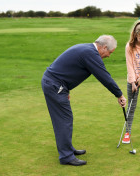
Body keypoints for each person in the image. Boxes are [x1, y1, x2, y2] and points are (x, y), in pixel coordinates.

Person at [41, 35, 126, 166]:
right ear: (103, 47)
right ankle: (66, 156)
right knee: (64, 119)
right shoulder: (90, 53)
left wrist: (66, 89)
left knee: (65, 118)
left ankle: (68, 150)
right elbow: (104, 76)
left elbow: (66, 69)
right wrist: (119, 94)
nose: (109, 56)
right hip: (55, 85)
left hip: (57, 84)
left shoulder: (87, 49)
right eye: (109, 52)